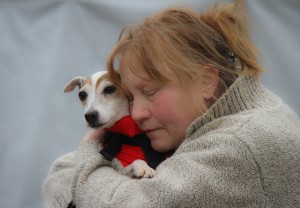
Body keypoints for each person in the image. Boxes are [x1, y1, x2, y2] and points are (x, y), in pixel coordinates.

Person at [42, 1, 300, 207]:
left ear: (206, 81)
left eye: (150, 91)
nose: (137, 113)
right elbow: (57, 173)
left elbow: (128, 203)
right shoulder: (245, 113)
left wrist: (88, 155)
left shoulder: (240, 145)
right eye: (131, 97)